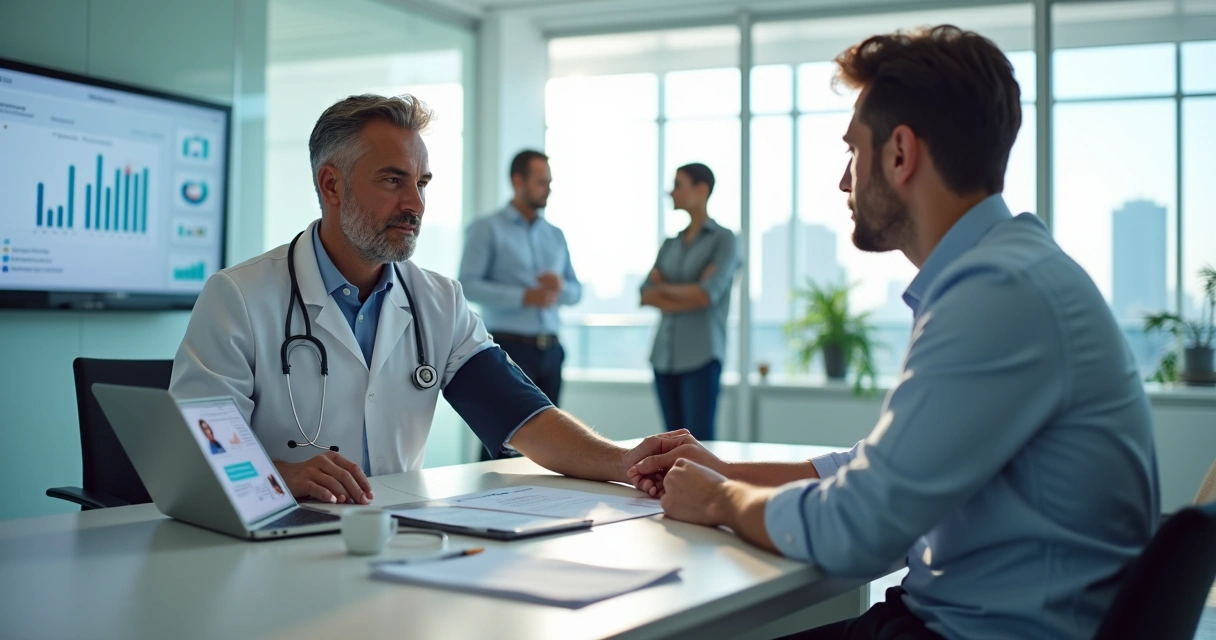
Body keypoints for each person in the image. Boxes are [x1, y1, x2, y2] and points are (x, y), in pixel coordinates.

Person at [628, 26, 1159, 640]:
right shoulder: (1005, 271)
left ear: (901, 154)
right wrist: (726, 470)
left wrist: (719, 500)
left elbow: (855, 529)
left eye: (854, 151)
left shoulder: (998, 293)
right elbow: (876, 469)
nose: (844, 181)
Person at [170, 94, 673, 506]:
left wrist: (622, 462)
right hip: (273, 536)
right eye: (393, 180)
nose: (414, 204)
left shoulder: (438, 301)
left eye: (422, 183)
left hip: (393, 535)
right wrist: (280, 474)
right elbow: (193, 451)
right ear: (331, 184)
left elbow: (523, 417)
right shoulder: (238, 296)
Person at [459, 150, 580, 460]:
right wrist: (523, 297)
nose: (548, 188)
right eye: (541, 182)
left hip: (551, 351)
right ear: (518, 181)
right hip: (509, 349)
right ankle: (482, 506)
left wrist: (561, 288)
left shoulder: (556, 235)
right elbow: (468, 285)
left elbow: (576, 292)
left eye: (549, 182)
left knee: (549, 443)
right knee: (500, 441)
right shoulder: (487, 228)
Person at [640, 163, 739, 441]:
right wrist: (690, 290)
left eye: (678, 185)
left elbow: (707, 294)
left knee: (700, 443)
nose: (671, 192)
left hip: (701, 356)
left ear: (701, 189)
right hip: (664, 356)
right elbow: (646, 293)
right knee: (669, 443)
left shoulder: (724, 239)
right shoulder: (671, 243)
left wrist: (666, 289)